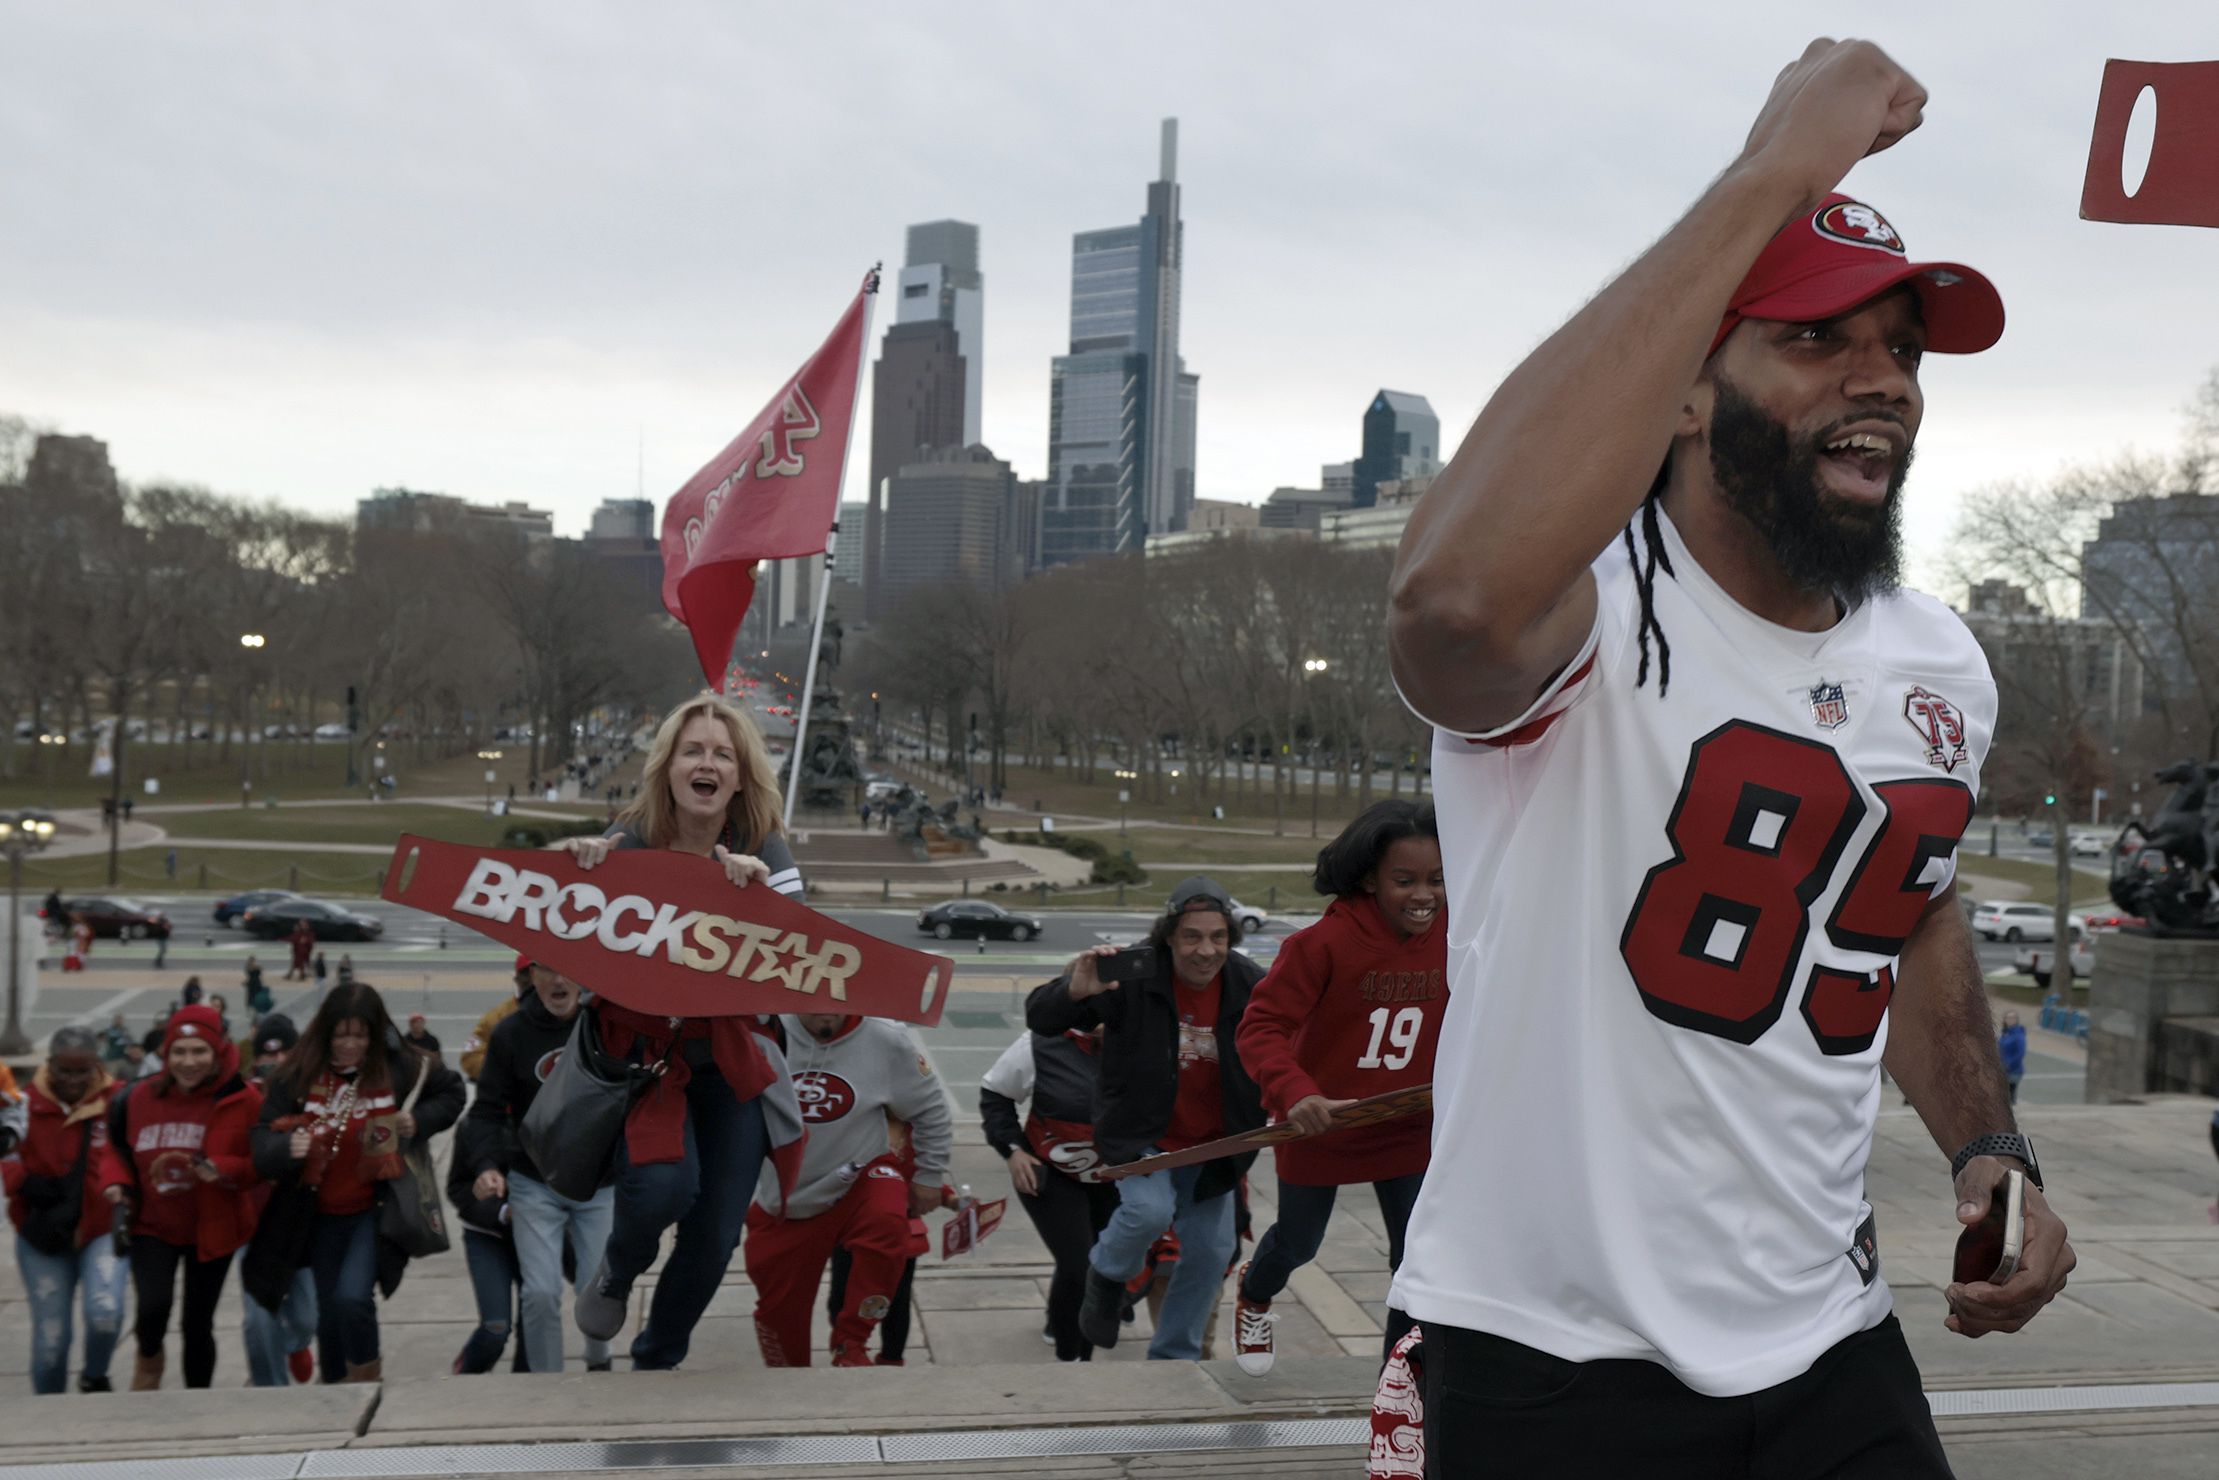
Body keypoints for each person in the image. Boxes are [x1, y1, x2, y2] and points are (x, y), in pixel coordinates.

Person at [1379, 39, 2071, 1474]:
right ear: (1685, 393)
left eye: (1899, 346)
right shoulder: (1581, 613)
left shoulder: (1935, 661)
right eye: (1815, 341)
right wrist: (1769, 175)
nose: (1876, 380)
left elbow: (1904, 898)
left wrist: (1985, 1148)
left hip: (1828, 1335)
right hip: (1548, 1356)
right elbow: (1445, 607)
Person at [556, 694, 809, 1371]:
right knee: (666, 1188)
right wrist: (577, 874)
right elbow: (566, 939)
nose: (707, 763)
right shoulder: (631, 837)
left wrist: (753, 899)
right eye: (692, 751)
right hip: (646, 1060)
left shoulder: (764, 841)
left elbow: (802, 960)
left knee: (714, 1233)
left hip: (730, 1065)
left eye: (722, 754)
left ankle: (657, 1359)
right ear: (667, 767)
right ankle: (616, 1269)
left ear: (740, 773)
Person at [1231, 800, 1447, 1376]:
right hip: (1322, 1123)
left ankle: (1399, 1387)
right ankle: (1255, 1292)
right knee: (1300, 1243)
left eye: (1437, 879)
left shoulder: (1460, 932)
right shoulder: (1321, 945)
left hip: (1408, 1123)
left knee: (1415, 1262)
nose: (1423, 895)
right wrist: (1295, 1092)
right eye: (1405, 881)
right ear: (1370, 879)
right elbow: (1261, 1027)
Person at [1026, 876, 1267, 1360]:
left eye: (1218, 937)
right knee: (1148, 1211)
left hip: (1214, 1147)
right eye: (1192, 937)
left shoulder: (1250, 984)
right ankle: (1107, 1274)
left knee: (1210, 1254)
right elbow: (1042, 1017)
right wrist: (1074, 991)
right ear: (1169, 938)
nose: (1206, 950)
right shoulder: (1133, 974)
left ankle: (1174, 1357)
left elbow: (1290, 1040)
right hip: (1145, 1139)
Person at [247, 982, 464, 1383]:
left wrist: (418, 1121)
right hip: (318, 1213)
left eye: (360, 1035)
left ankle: (365, 1383)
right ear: (324, 1031)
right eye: (341, 1034)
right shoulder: (295, 1075)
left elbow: (452, 1093)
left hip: (375, 1208)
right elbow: (261, 1140)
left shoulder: (402, 1065)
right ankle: (335, 1389)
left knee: (352, 1298)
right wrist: (285, 1147)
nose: (350, 1044)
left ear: (375, 1033)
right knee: (328, 1309)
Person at [743, 1012, 952, 1367]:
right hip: (788, 1196)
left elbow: (931, 1109)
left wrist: (929, 1177)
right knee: (780, 1313)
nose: (826, 1008)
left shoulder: (887, 1039)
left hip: (860, 1175)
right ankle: (790, 1377)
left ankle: (851, 1340)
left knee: (887, 1221)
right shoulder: (762, 1031)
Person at [98, 1005, 264, 1389]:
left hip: (214, 1227)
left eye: (199, 1051)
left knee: (197, 1322)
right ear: (166, 1055)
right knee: (153, 1307)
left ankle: (197, 1397)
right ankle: (149, 1362)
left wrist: (224, 1168)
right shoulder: (136, 1098)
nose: (189, 1062)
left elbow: (261, 1163)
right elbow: (115, 1149)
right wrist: (116, 1183)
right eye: (180, 1052)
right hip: (153, 1225)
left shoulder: (244, 1100)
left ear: (218, 1051)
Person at [465, 960, 615, 1373]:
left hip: (598, 1183)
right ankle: (546, 1387)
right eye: (546, 969)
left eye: (567, 967)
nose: (559, 979)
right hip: (533, 1182)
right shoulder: (511, 1034)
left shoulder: (606, 1025)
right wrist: (486, 1165)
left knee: (596, 1287)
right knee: (541, 1293)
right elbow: (487, 1110)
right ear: (531, 978)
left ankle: (599, 1363)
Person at [979, 1023, 1118, 1361]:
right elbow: (995, 1094)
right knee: (1079, 1264)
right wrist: (1012, 1149)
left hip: (1116, 1175)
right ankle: (1073, 1359)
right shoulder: (1039, 1044)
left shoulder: (1142, 1039)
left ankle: (1065, 1319)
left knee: (1100, 1262)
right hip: (1049, 1172)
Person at [4, 1028, 128, 1394]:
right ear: (50, 1065)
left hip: (100, 1229)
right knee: (50, 1343)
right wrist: (21, 1180)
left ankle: (95, 1376)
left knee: (105, 1314)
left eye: (82, 1071)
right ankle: (50, 1412)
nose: (73, 1080)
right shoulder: (21, 1104)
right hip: (41, 1234)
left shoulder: (119, 1100)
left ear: (97, 1066)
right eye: (64, 1070)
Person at [237, 1016, 318, 1387]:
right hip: (251, 1222)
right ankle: (269, 1393)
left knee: (306, 1318)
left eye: (284, 1050)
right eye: (267, 1053)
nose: (275, 1059)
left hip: (296, 1220)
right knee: (257, 1317)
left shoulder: (310, 1092)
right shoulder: (241, 1098)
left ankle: (293, 1345)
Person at [1999, 1010, 2028, 1105]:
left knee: (2008, 1097)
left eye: (2012, 1018)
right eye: (2008, 1017)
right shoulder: (2006, 1033)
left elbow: (2020, 1053)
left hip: (2013, 1070)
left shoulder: (2019, 1034)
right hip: (2002, 1068)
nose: (2010, 1020)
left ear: (2017, 1020)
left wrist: (2009, 1066)